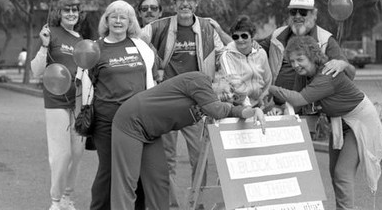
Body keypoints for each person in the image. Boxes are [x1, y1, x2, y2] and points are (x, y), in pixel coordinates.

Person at [111, 71, 266, 210]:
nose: (230, 96)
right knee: (127, 182)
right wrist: (242, 110)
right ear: (221, 79)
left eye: (235, 97)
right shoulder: (200, 80)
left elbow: (229, 110)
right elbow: (217, 110)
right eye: (231, 88)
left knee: (159, 181)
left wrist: (253, 110)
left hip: (151, 133)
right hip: (131, 122)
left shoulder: (209, 102)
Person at [268, 36, 382, 210]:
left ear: (313, 57)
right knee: (335, 172)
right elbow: (294, 97)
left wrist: (268, 87)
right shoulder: (303, 75)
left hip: (360, 122)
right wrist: (277, 107)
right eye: (292, 61)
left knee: (342, 173)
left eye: (300, 59)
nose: (295, 65)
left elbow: (300, 99)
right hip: (340, 122)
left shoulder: (327, 74)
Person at [140, 0, 231, 208]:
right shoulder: (158, 27)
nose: (185, 4)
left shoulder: (208, 28)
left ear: (196, 4)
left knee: (199, 157)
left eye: (190, 1)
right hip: (168, 102)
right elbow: (133, 42)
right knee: (166, 158)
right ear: (173, 5)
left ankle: (198, 203)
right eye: (180, 0)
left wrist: (223, 83)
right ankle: (170, 204)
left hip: (196, 103)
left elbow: (228, 53)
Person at [79, 0, 155, 210]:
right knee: (109, 170)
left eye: (124, 17)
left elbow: (151, 80)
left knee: (137, 170)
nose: (118, 21)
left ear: (131, 22)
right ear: (107, 20)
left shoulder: (141, 46)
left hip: (138, 121)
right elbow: (85, 83)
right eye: (114, 16)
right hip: (106, 121)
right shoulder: (95, 48)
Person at [258, 0, 355, 119]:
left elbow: (350, 74)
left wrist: (342, 64)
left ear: (314, 14)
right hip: (277, 109)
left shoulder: (325, 39)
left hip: (309, 111)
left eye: (303, 12)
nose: (297, 16)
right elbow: (250, 48)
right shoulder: (277, 35)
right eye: (293, 12)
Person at [30, 0, 85, 210]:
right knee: (62, 154)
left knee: (77, 154)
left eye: (75, 10)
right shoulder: (50, 34)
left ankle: (67, 196)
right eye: (67, 10)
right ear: (59, 13)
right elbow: (36, 71)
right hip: (56, 102)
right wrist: (44, 46)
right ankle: (55, 200)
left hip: (78, 103)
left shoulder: (81, 39)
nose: (71, 13)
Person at [217, 15, 272, 109]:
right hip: (237, 106)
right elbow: (234, 85)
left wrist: (263, 102)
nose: (240, 40)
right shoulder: (226, 56)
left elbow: (267, 80)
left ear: (252, 36)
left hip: (260, 104)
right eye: (235, 37)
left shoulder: (261, 53)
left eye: (244, 36)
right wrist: (248, 107)